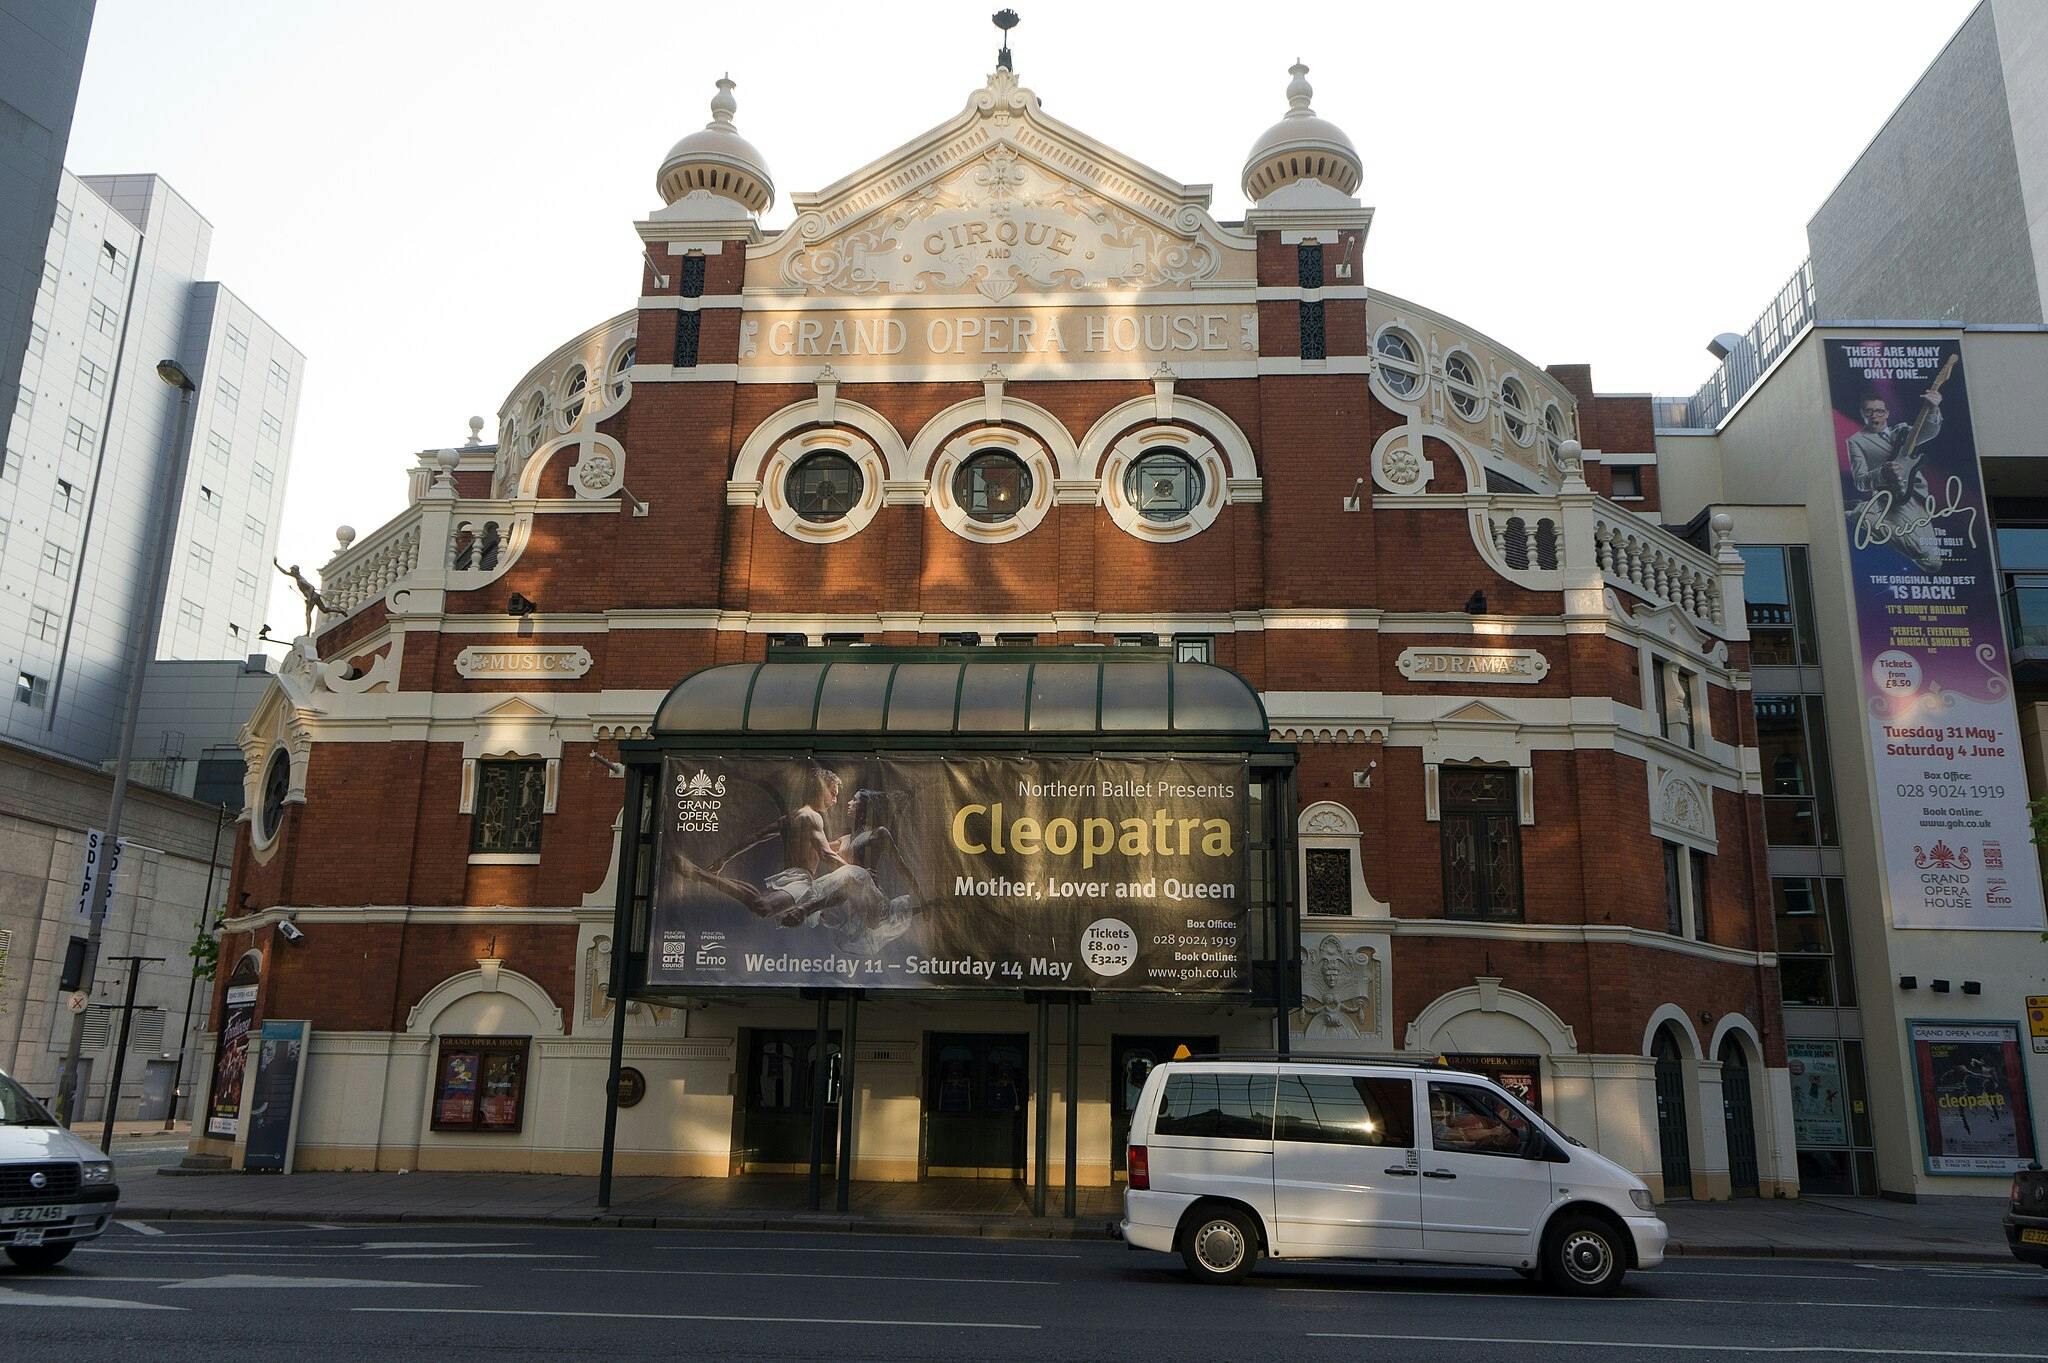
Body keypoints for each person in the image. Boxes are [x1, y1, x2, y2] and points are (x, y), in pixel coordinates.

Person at [679, 766, 910, 931]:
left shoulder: (790, 817)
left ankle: (704, 875)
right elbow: (826, 854)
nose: (835, 801)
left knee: (761, 904)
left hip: (790, 876)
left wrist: (723, 859)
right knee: (763, 906)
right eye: (833, 794)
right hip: (801, 881)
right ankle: (700, 875)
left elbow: (755, 837)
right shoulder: (814, 817)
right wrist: (856, 871)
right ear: (821, 789)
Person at [1846, 388, 1945, 571]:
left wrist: (1933, 409)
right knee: (1926, 555)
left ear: (1887, 413)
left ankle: (1863, 513)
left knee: (1933, 563)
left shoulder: (1902, 432)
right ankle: (1861, 514)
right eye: (1869, 411)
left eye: (1879, 411)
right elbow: (1860, 481)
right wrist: (1883, 473)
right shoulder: (1857, 441)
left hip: (1914, 496)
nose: (1875, 416)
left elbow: (1928, 431)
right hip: (1889, 498)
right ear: (1863, 413)